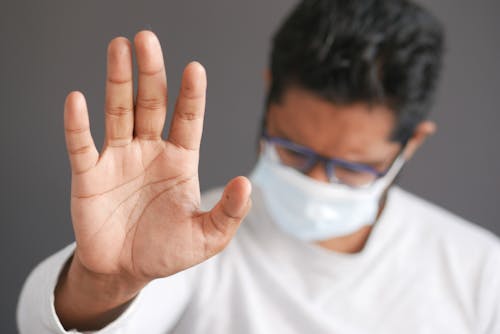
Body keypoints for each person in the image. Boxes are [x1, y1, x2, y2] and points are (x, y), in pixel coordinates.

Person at [17, 0, 500, 333]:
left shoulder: (481, 274)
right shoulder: (184, 242)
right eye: (293, 149)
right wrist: (109, 281)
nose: (314, 183)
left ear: (411, 143)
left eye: (351, 168)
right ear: (269, 98)